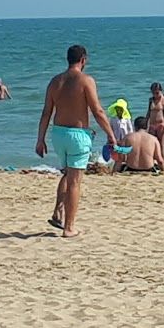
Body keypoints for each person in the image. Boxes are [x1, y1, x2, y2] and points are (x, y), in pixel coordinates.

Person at [36, 44, 118, 238]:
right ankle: (69, 227)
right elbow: (97, 110)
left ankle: (58, 211)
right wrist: (111, 134)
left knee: (67, 174)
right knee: (75, 181)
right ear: (83, 60)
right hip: (77, 135)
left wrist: (40, 139)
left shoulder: (55, 81)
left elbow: (46, 112)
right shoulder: (85, 80)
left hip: (57, 134)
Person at [103, 98, 132, 164]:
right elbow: (110, 129)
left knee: (124, 152)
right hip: (116, 138)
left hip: (125, 138)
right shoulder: (113, 119)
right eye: (117, 109)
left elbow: (130, 130)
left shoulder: (127, 119)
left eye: (120, 109)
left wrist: (129, 139)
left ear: (123, 110)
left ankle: (125, 162)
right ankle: (115, 162)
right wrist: (109, 138)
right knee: (116, 152)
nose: (119, 111)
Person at [146, 82, 164, 148]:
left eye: (157, 93)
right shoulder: (151, 100)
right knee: (152, 145)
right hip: (152, 125)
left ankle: (163, 158)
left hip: (160, 125)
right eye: (153, 93)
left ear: (161, 91)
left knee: (161, 145)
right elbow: (148, 112)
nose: (155, 95)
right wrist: (145, 124)